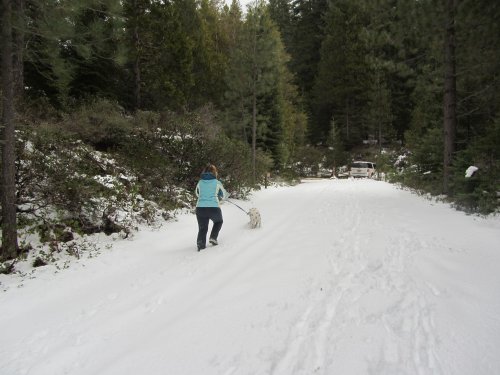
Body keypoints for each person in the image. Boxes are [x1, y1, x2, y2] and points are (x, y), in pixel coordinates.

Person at [195, 164, 227, 251]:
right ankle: (213, 237)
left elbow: (197, 194)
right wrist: (219, 198)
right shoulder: (217, 183)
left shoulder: (200, 182)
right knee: (218, 221)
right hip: (214, 208)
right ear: (214, 172)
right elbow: (224, 195)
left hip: (200, 208)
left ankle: (200, 244)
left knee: (203, 227)